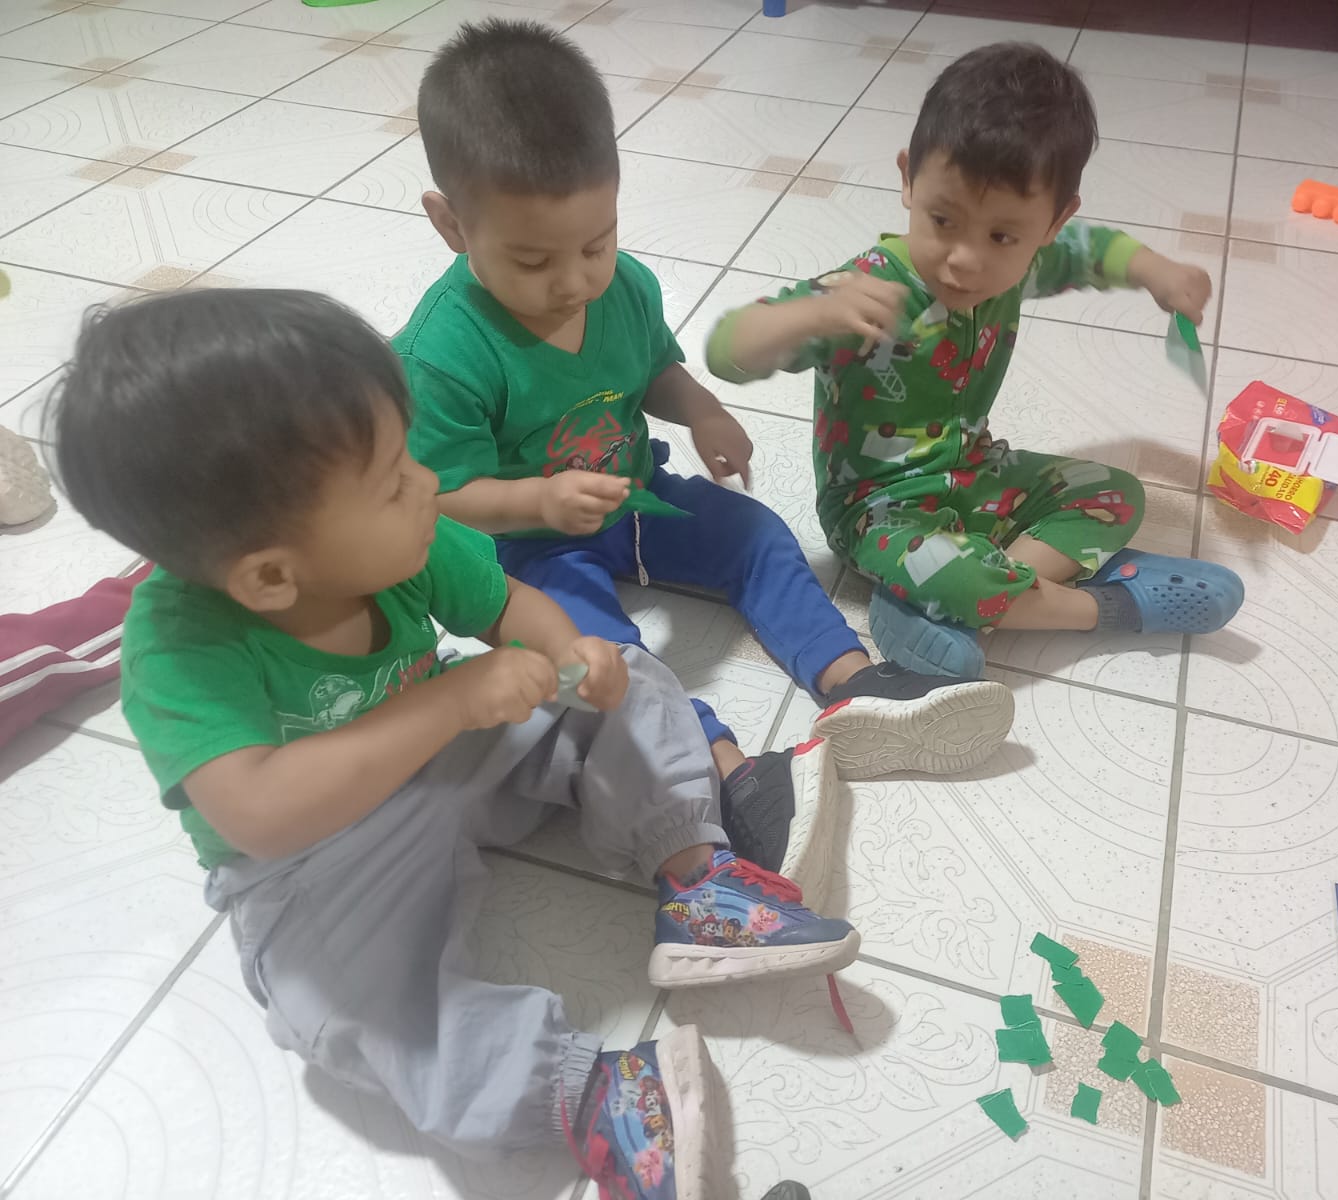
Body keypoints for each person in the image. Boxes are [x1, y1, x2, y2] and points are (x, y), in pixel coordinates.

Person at [48, 288, 857, 1199]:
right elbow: (260, 813)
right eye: (393, 481)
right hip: (319, 860)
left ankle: (695, 876)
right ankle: (590, 1094)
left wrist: (569, 653)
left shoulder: (406, 533)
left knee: (628, 674)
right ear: (271, 576)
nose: (426, 483)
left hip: (455, 756)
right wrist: (449, 704)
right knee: (345, 1015)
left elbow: (509, 605)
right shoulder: (177, 649)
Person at [396, 20, 1017, 874]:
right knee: (603, 652)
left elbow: (653, 369)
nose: (574, 281)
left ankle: (852, 682)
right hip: (523, 551)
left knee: (755, 534)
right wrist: (537, 501)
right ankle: (726, 774)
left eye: (595, 243)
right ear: (451, 224)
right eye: (533, 261)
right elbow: (440, 499)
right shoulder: (441, 353)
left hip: (632, 495)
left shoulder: (624, 287)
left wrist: (704, 412)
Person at [705, 43, 1246, 679]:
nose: (965, 260)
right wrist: (810, 315)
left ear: (1052, 222)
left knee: (1117, 493)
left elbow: (1094, 251)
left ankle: (940, 606)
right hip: (876, 512)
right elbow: (726, 351)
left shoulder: (1025, 263)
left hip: (975, 473)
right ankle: (1108, 606)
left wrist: (1159, 271)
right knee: (960, 573)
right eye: (942, 220)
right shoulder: (863, 291)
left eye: (1001, 236)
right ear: (908, 178)